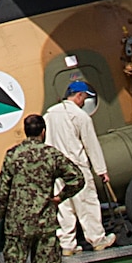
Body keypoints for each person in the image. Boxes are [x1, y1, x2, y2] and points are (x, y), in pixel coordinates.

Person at [0, 113, 84, 263]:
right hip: (44, 222)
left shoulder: (14, 155)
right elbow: (77, 177)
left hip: (17, 223)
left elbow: (3, 189)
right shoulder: (51, 155)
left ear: (25, 131)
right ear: (43, 132)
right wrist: (60, 197)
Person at [43, 82, 116, 253]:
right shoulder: (81, 117)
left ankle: (67, 245)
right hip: (76, 168)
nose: (85, 102)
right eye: (85, 98)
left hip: (56, 169)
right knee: (87, 204)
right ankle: (97, 239)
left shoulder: (49, 115)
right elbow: (91, 145)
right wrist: (101, 170)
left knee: (64, 206)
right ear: (79, 96)